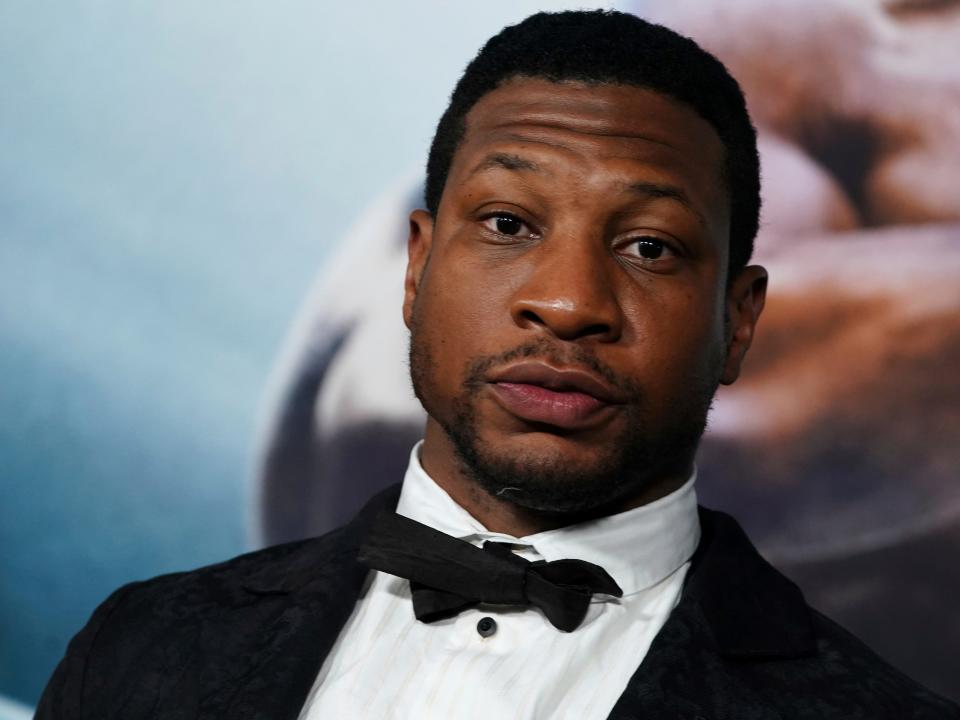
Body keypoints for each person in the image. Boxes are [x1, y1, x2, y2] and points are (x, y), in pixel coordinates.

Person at [37, 10, 959, 719]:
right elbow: (770, 428)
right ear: (417, 265)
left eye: (648, 248)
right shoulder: (143, 644)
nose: (567, 302)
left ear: (740, 320)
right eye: (510, 226)